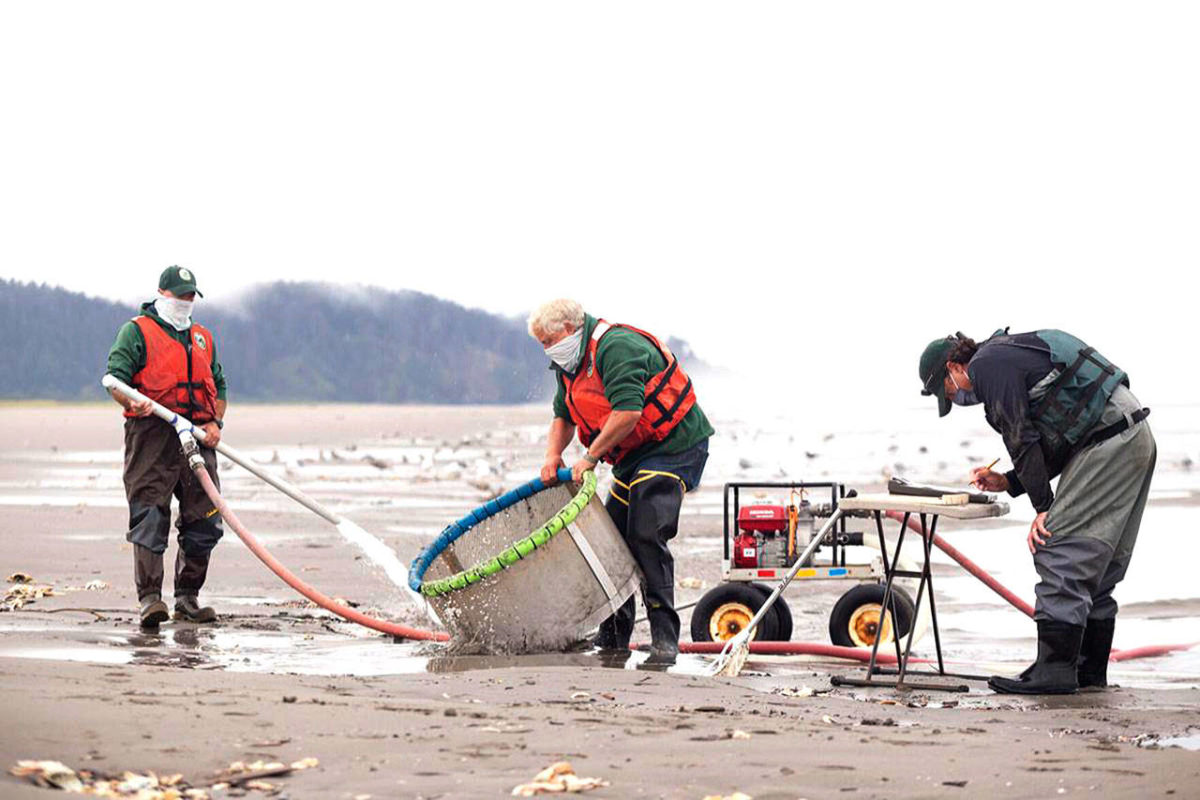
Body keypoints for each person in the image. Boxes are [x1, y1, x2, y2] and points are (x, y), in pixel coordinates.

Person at [919, 328, 1155, 694]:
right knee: (1099, 567)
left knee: (1057, 546)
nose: (959, 398)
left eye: (949, 391)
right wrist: (1011, 483)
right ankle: (1087, 672)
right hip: (1132, 435)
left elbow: (1020, 435)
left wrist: (1044, 508)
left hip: (1108, 442)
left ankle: (1055, 671)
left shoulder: (986, 366)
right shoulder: (1011, 352)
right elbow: (1063, 432)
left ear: (953, 368)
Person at [528, 299, 714, 665]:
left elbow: (628, 413)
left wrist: (589, 458)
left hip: (675, 447)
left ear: (569, 330)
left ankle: (665, 639)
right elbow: (563, 414)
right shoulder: (568, 364)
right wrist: (552, 456)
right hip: (634, 456)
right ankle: (614, 635)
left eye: (549, 340)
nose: (546, 349)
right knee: (609, 538)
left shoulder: (617, 348)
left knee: (645, 533)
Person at [105, 266, 227, 629]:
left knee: (205, 520)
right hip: (152, 436)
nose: (186, 303)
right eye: (179, 296)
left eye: (191, 296)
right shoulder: (135, 332)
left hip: (198, 440)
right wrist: (131, 400)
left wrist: (214, 423)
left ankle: (187, 599)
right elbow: (114, 379)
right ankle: (150, 601)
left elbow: (219, 386)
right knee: (149, 517)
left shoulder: (203, 337)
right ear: (162, 293)